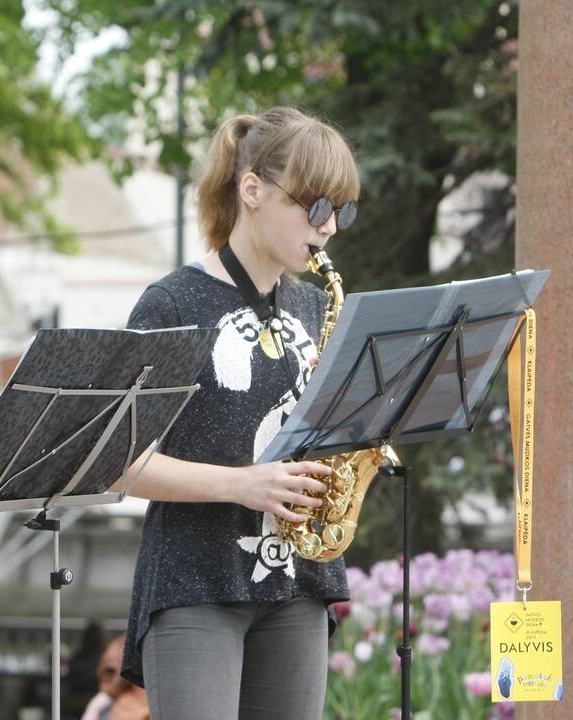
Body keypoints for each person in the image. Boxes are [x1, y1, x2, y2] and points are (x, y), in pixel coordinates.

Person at [114, 107, 358, 719]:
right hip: (195, 582)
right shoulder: (171, 301)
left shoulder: (311, 308)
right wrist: (243, 485)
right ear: (252, 190)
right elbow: (117, 461)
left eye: (342, 211)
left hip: (299, 582)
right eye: (317, 207)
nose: (329, 229)